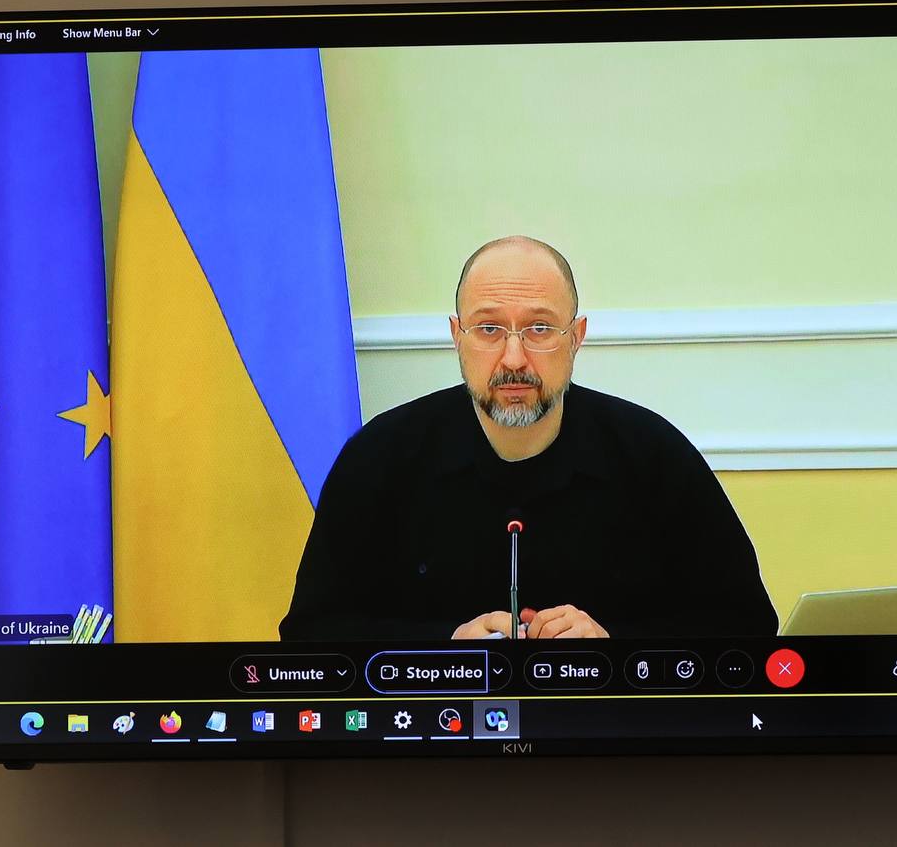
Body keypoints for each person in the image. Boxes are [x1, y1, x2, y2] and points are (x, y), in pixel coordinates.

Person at [280, 235, 777, 640]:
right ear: (457, 337)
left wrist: (613, 647)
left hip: (604, 729)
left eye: (539, 328)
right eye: (489, 329)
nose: (514, 359)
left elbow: (747, 624)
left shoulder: (653, 455)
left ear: (576, 337)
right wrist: (445, 647)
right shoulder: (378, 457)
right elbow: (310, 633)